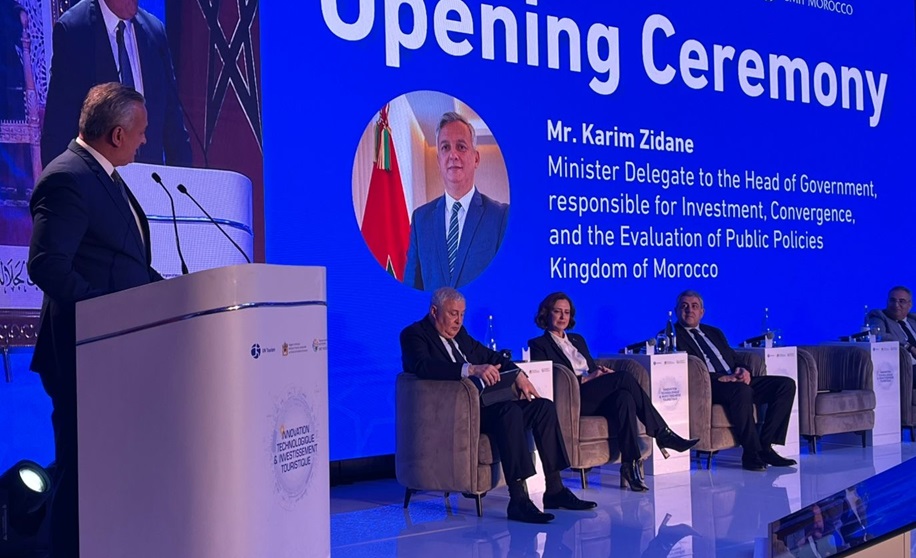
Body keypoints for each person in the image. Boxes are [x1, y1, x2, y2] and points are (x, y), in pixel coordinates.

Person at [29, 82, 164, 558]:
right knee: (80, 473)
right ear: (117, 134)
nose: (145, 139)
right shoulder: (67, 177)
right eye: (140, 131)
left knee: (109, 471)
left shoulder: (102, 174)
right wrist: (107, 313)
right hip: (81, 354)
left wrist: (172, 290)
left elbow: (120, 260)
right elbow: (47, 265)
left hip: (113, 355)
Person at [400, 287, 596, 523]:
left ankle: (555, 489)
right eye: (453, 314)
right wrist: (470, 369)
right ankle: (519, 500)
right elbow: (423, 366)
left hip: (483, 406)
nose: (458, 321)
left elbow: (492, 356)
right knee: (509, 411)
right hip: (456, 413)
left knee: (543, 407)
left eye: (462, 314)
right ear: (434, 311)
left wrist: (519, 375)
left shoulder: (460, 335)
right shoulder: (414, 334)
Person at [528, 292, 698, 492]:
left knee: (624, 398)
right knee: (624, 378)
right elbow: (551, 379)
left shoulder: (577, 339)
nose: (563, 317)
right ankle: (661, 433)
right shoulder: (538, 345)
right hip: (575, 398)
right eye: (557, 311)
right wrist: (587, 379)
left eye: (566, 312)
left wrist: (601, 373)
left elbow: (590, 367)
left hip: (595, 392)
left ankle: (630, 465)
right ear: (546, 313)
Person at [40, 0, 191, 168]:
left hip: (148, 179)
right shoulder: (74, 31)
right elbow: (58, 127)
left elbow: (173, 123)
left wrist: (185, 179)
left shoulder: (155, 32)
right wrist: (60, 181)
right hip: (97, 178)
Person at [673, 290, 797, 471]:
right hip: (711, 385)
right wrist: (722, 378)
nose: (689, 310)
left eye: (694, 306)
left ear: (702, 312)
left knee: (785, 385)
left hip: (734, 379)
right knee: (742, 391)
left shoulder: (714, 332)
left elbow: (733, 357)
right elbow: (686, 369)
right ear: (676, 311)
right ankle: (751, 453)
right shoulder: (672, 336)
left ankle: (766, 446)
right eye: (684, 306)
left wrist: (743, 370)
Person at [403, 112, 508, 290]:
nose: (453, 154)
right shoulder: (421, 220)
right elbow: (411, 290)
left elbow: (506, 284)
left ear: (476, 158)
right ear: (439, 160)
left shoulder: (500, 217)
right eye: (445, 147)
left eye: (461, 147)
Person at [867, 286, 916, 374]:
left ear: (910, 305)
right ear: (887, 302)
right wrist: (909, 347)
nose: (896, 305)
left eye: (901, 301)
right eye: (892, 300)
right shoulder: (879, 316)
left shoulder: (912, 319)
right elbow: (879, 335)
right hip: (904, 368)